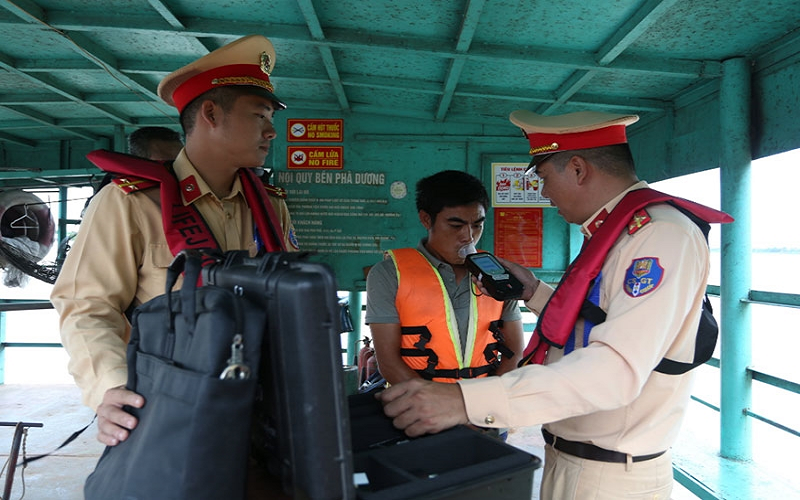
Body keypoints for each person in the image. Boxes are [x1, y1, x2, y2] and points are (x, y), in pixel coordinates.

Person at [377, 110, 732, 499]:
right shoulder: (614, 232)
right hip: (576, 462)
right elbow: (599, 324)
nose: (544, 193)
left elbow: (614, 371)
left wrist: (465, 402)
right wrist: (534, 292)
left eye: (544, 178)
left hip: (611, 477)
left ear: (578, 169)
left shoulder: (659, 235)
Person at [51, 34, 299, 448]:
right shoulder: (130, 202)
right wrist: (111, 389)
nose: (272, 131)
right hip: (164, 406)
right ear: (210, 114)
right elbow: (86, 305)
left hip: (258, 403)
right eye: (260, 115)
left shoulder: (270, 208)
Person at [365, 170, 524, 387]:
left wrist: (482, 408)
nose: (468, 236)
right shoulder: (388, 274)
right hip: (417, 407)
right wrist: (439, 408)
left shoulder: (499, 274)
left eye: (477, 225)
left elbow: (514, 354)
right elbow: (389, 363)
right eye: (456, 226)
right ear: (426, 219)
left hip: (484, 408)